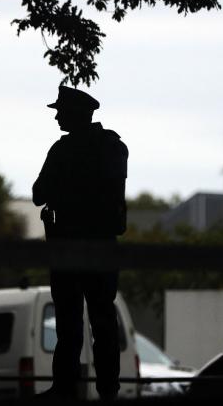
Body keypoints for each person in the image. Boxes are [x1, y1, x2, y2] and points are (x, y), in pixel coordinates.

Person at [32, 85, 128, 400]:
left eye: (61, 111)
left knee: (70, 323)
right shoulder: (113, 147)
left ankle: (65, 388)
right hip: (102, 247)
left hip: (68, 248)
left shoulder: (62, 151)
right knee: (103, 321)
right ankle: (108, 390)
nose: (57, 116)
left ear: (75, 114)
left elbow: (38, 194)